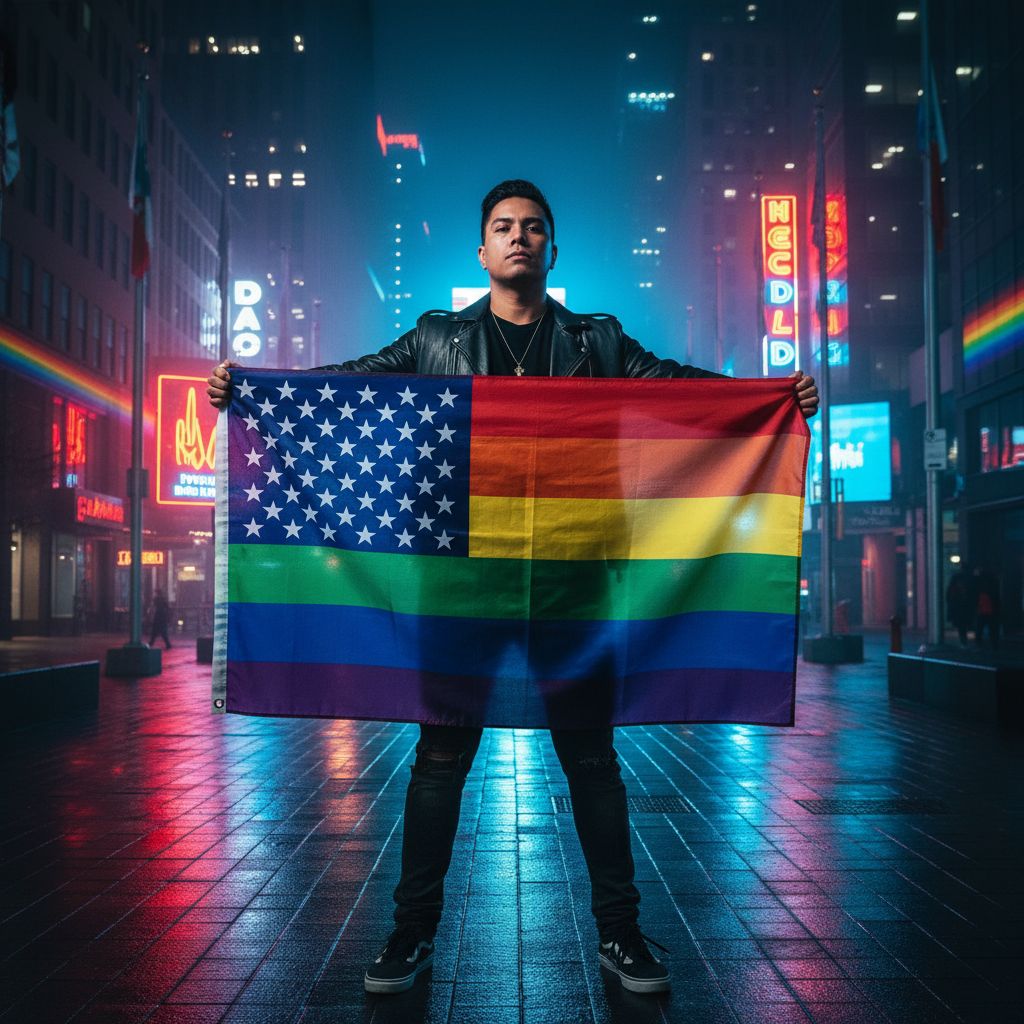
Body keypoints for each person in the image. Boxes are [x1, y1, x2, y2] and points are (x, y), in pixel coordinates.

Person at [208, 179, 819, 997]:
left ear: (553, 249)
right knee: (440, 758)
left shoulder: (597, 340)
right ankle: (410, 936)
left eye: (534, 227)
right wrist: (252, 388)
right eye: (504, 227)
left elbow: (674, 387)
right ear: (484, 249)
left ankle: (623, 936)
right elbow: (351, 381)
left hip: (572, 581)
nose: (520, 238)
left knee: (593, 761)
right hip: (461, 581)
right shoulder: (436, 336)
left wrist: (768, 398)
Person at [945, 564, 975, 647]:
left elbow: (949, 596)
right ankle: (965, 642)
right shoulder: (968, 580)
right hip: (964, 607)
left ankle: (964, 642)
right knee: (963, 626)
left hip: (959, 608)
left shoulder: (955, 583)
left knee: (961, 626)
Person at [973, 567, 1001, 649]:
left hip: (983, 608)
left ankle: (980, 643)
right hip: (990, 608)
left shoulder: (979, 584)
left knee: (980, 626)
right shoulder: (992, 582)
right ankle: (994, 643)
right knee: (992, 627)